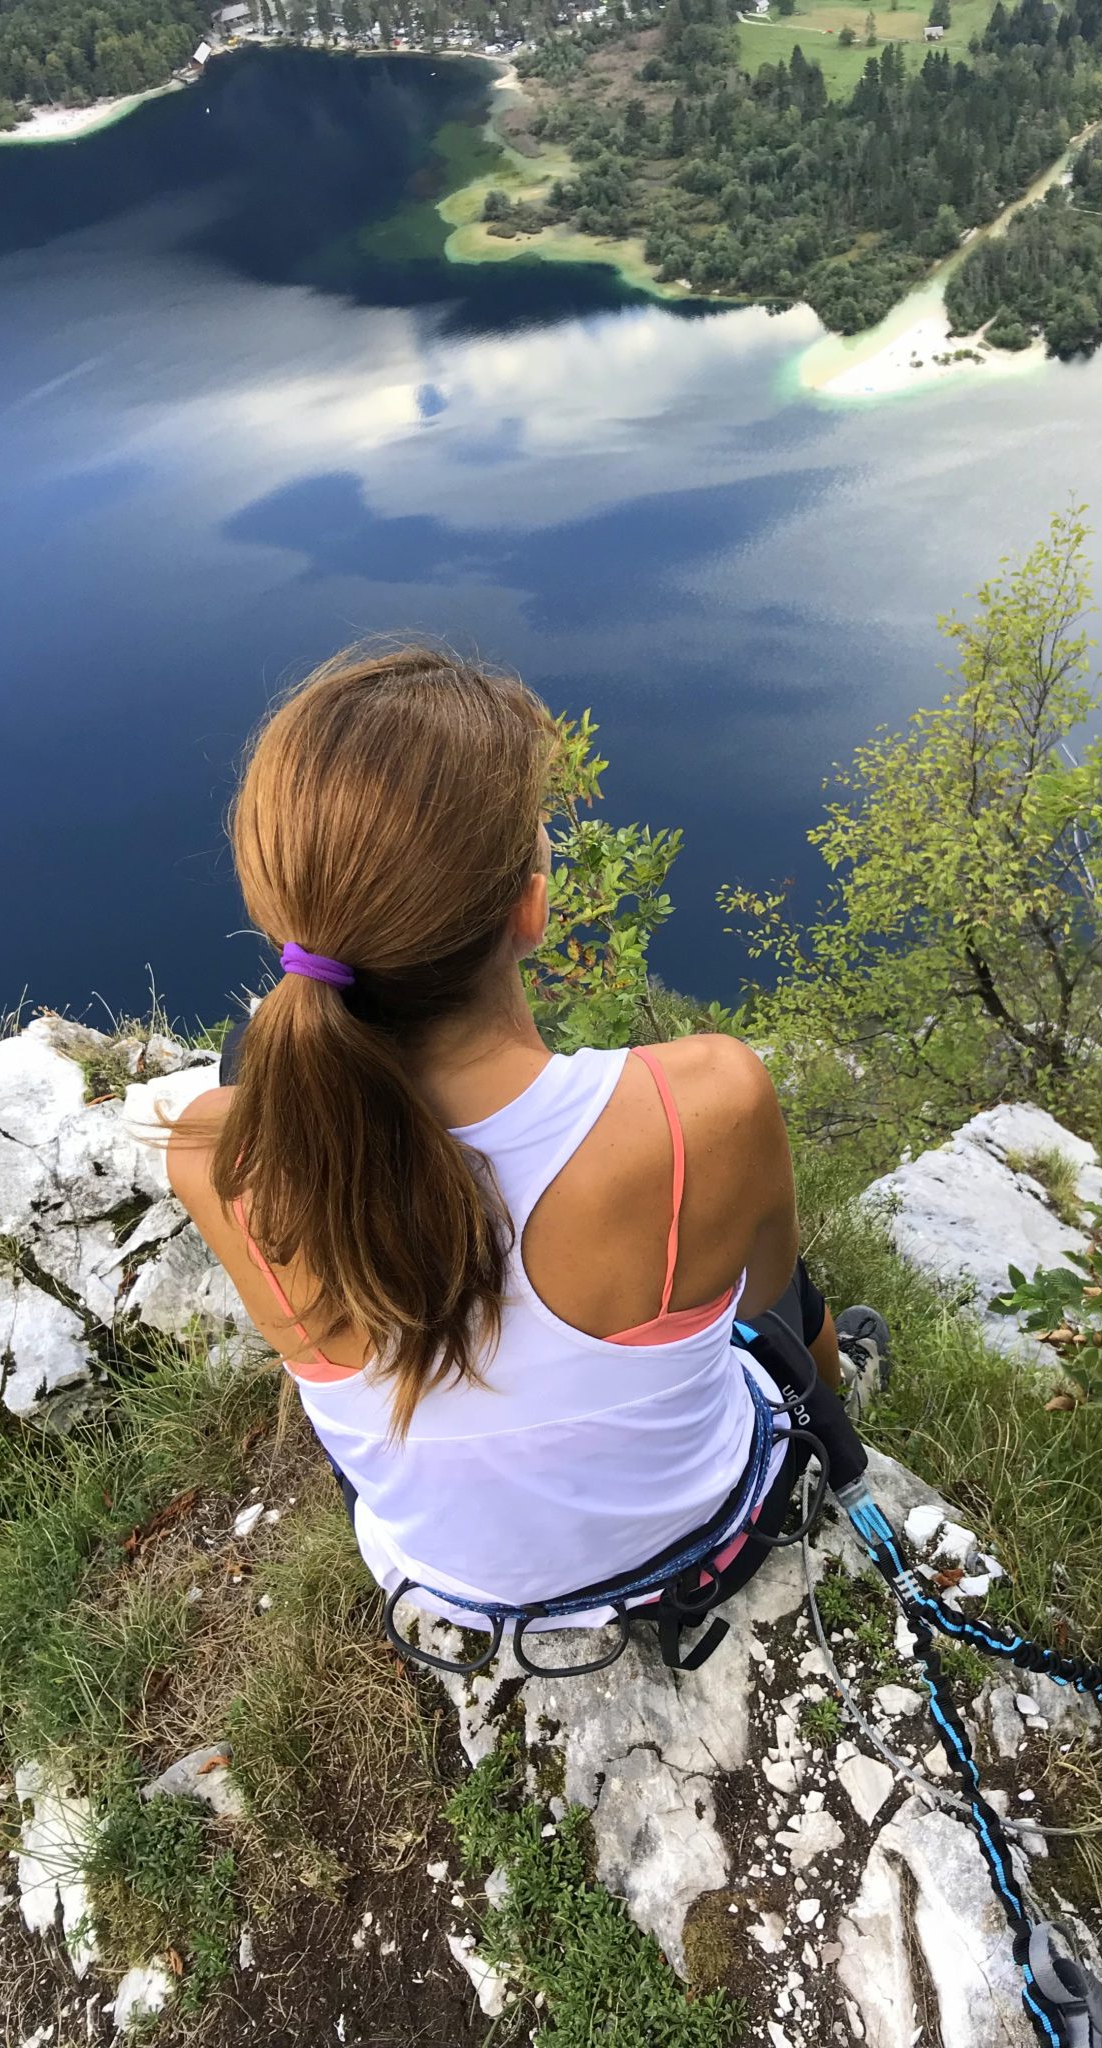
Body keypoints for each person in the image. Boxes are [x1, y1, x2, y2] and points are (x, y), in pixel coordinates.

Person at [168, 642, 880, 1670]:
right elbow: (762, 1289)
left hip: (449, 1582)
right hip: (698, 1548)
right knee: (776, 1282)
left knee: (247, 1067)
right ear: (530, 907)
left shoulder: (216, 1158)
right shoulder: (705, 1106)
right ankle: (839, 1413)